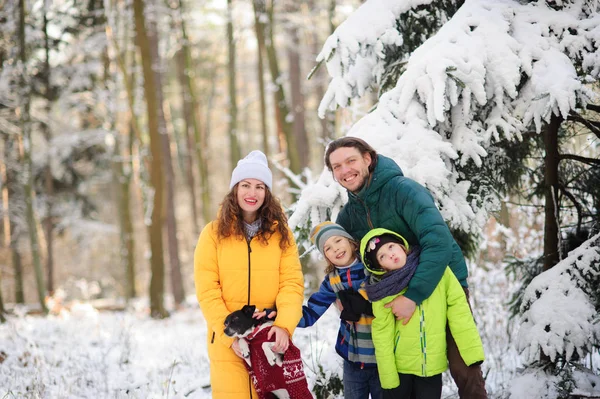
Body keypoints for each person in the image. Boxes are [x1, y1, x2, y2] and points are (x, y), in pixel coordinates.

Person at [324, 136, 488, 398]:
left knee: (463, 368)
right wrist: (340, 296)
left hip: (441, 287)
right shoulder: (348, 216)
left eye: (350, 161)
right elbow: (343, 261)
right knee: (404, 374)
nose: (345, 170)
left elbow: (439, 243)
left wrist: (413, 296)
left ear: (368, 159)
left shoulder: (404, 191)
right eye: (337, 167)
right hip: (393, 298)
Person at [194, 150, 305, 398]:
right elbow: (207, 290)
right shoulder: (212, 234)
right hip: (227, 341)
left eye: (259, 186)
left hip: (268, 338)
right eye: (245, 185)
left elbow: (292, 284)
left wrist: (284, 327)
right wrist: (229, 335)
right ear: (235, 189)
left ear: (267, 193)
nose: (252, 193)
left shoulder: (281, 235)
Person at [359, 228, 484, 398]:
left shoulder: (436, 270)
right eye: (382, 256)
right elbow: (382, 334)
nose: (390, 255)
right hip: (400, 369)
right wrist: (388, 377)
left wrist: (472, 352)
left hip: (431, 368)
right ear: (381, 267)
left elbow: (459, 309)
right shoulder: (383, 290)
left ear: (402, 246)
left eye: (390, 247)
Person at [298, 221, 383, 399]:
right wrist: (284, 315)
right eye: (327, 248)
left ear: (351, 242)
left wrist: (362, 298)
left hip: (382, 357)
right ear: (326, 257)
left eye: (338, 241)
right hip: (351, 358)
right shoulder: (332, 281)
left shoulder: (373, 266)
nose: (335, 249)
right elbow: (311, 314)